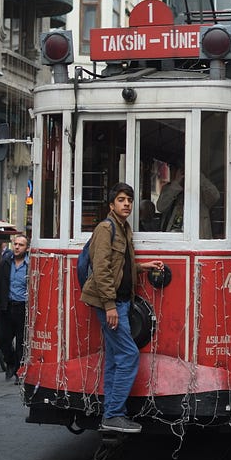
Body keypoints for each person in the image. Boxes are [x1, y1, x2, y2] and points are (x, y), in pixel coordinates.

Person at [80, 182, 163, 434]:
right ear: (111, 204)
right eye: (121, 200)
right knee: (128, 355)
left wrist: (143, 266)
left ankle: (111, 413)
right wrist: (109, 306)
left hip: (122, 302)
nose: (126, 204)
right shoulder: (106, 228)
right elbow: (101, 269)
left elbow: (120, 266)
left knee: (116, 359)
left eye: (129, 199)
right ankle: (114, 414)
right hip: (111, 303)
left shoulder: (123, 228)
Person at [0, 234, 29, 382]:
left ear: (27, 248)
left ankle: (19, 371)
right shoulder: (5, 263)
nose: (17, 247)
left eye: (21, 245)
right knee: (2, 339)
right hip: (6, 308)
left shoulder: (30, 265)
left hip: (22, 308)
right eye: (16, 244)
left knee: (21, 342)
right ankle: (10, 363)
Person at [157, 164, 220, 237]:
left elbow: (215, 196)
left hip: (197, 238)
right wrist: (176, 184)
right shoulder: (169, 188)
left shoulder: (202, 190)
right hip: (173, 237)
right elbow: (160, 207)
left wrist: (199, 177)